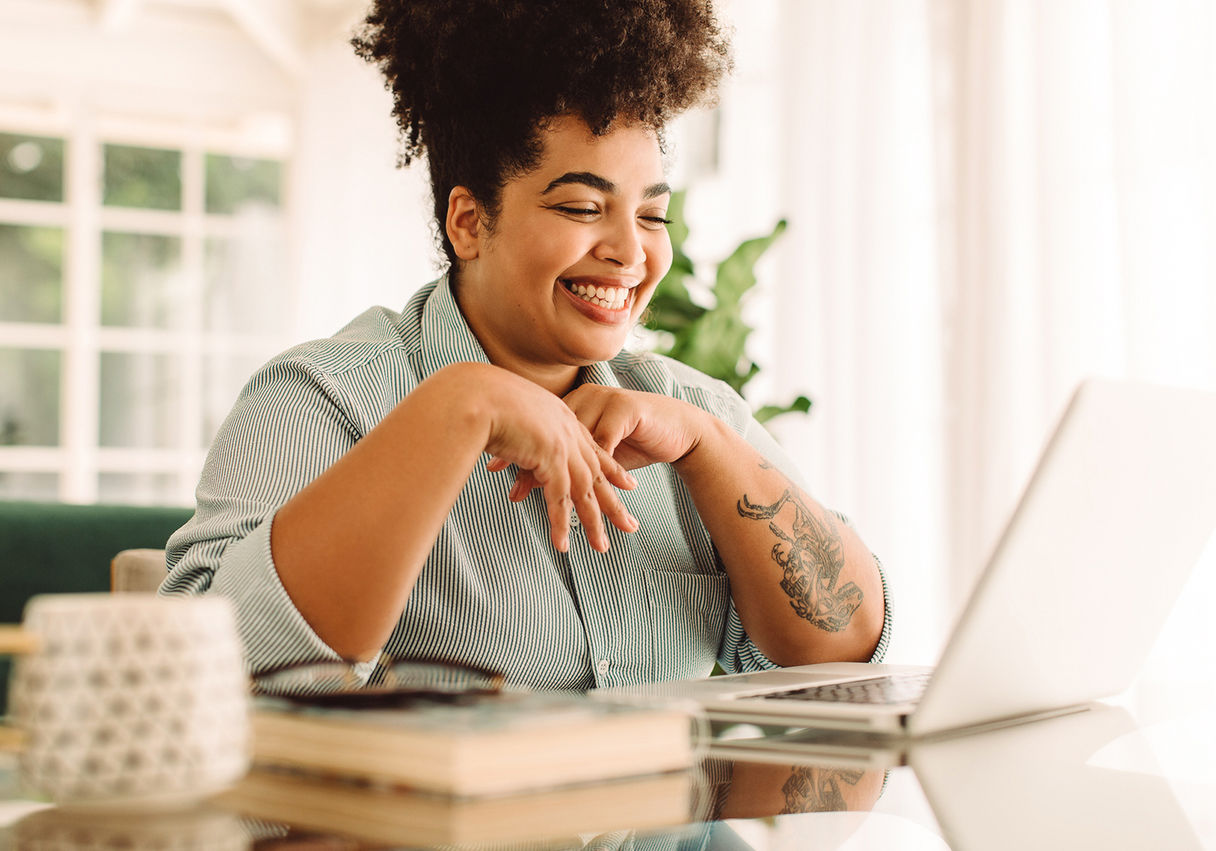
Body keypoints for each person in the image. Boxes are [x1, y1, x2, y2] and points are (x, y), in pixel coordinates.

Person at [164, 0, 891, 689]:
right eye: (582, 207)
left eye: (651, 215)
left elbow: (848, 652)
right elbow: (203, 675)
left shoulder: (689, 412)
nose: (628, 251)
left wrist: (710, 449)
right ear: (469, 222)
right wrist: (457, 406)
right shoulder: (321, 401)